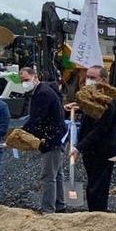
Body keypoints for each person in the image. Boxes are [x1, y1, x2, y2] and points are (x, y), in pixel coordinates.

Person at [69, 65, 116, 212]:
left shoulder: (107, 101)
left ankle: (99, 215)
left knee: (98, 187)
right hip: (92, 150)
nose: (88, 80)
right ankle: (94, 212)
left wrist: (79, 147)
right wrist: (78, 107)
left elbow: (100, 129)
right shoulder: (93, 97)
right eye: (87, 77)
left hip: (103, 150)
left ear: (103, 80)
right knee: (92, 185)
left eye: (92, 78)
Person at [20, 67, 68, 214]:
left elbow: (37, 119)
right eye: (22, 81)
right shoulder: (41, 91)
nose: (25, 83)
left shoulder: (42, 94)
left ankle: (48, 209)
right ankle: (60, 205)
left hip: (51, 138)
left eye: (27, 80)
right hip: (56, 136)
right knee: (57, 174)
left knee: (48, 176)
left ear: (35, 77)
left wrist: (20, 134)